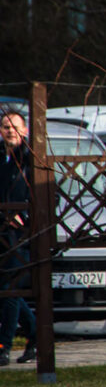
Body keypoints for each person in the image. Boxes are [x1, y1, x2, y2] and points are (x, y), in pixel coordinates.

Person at [0, 110, 36, 366]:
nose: (10, 130)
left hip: (21, 235)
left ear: (24, 131)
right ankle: (37, 335)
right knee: (6, 291)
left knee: (10, 291)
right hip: (2, 233)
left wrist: (24, 215)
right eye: (5, 127)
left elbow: (47, 196)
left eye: (14, 127)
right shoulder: (2, 159)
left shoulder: (31, 160)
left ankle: (4, 347)